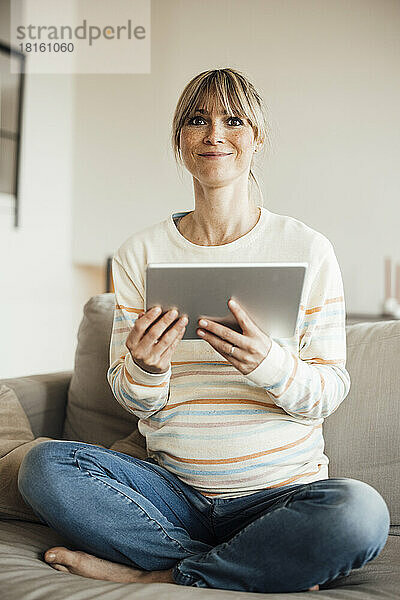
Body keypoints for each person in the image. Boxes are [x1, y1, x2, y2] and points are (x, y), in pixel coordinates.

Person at [18, 68, 390, 593]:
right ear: (180, 141)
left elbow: (326, 395)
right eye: (197, 120)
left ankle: (166, 573)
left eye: (233, 120)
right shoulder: (139, 255)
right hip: (170, 493)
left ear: (257, 138)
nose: (214, 133)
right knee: (43, 467)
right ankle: (257, 566)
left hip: (279, 496)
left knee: (360, 513)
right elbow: (136, 401)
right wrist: (145, 368)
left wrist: (270, 366)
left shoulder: (308, 249)